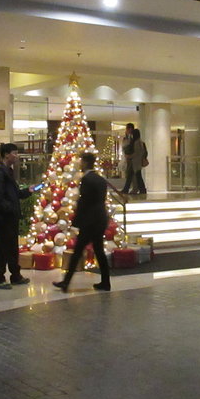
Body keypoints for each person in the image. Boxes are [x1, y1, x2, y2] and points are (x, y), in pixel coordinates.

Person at [53, 153, 111, 292]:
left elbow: (84, 202)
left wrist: (76, 221)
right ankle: (105, 282)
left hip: (89, 221)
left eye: (81, 161)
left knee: (78, 251)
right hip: (100, 219)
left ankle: (66, 283)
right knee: (99, 251)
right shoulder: (101, 179)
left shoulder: (86, 180)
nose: (80, 163)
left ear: (85, 162)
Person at [0, 143, 35, 288]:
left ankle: (15, 275)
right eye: (14, 153)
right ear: (6, 154)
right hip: (4, 218)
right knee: (3, 248)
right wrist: (10, 208)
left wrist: (28, 191)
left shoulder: (8, 172)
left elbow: (15, 195)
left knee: (12, 247)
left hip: (11, 217)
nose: (17, 156)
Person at [128, 128, 148, 195]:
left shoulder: (136, 142)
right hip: (139, 161)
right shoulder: (140, 142)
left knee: (138, 176)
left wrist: (130, 156)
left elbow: (136, 152)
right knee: (138, 175)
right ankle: (140, 189)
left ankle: (142, 189)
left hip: (136, 161)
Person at [120, 123, 136, 193]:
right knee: (129, 174)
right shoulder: (126, 138)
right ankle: (130, 188)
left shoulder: (133, 138)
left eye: (127, 129)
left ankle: (132, 188)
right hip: (127, 158)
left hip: (131, 158)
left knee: (131, 174)